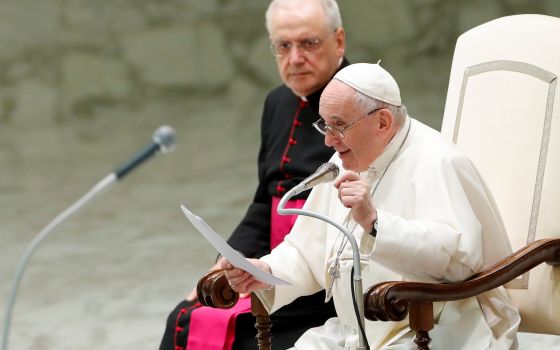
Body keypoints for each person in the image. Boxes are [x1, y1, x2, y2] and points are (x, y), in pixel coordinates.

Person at [222, 63, 521, 349]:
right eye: (324, 124)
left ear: (382, 122)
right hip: (357, 333)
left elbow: (458, 262)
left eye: (338, 126)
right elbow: (306, 252)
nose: (327, 140)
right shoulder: (343, 161)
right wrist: (263, 270)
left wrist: (375, 223)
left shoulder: (438, 161)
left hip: (435, 331)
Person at [159, 0, 349, 349]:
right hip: (261, 267)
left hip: (320, 281)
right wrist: (224, 263)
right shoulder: (277, 102)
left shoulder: (358, 103)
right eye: (283, 46)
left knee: (241, 336)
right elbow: (266, 200)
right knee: (184, 317)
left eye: (309, 43)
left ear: (338, 41)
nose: (295, 58)